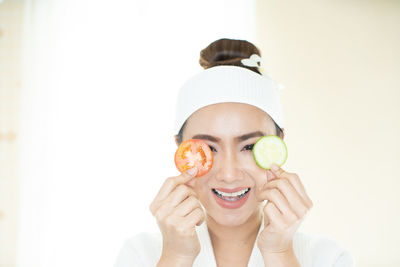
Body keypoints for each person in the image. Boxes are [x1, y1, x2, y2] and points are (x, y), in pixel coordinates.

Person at [114, 38, 355, 267]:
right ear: (180, 147)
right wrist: (176, 257)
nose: (229, 175)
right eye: (208, 148)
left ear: (279, 142)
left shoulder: (327, 257)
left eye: (249, 147)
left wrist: (279, 254)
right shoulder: (141, 254)